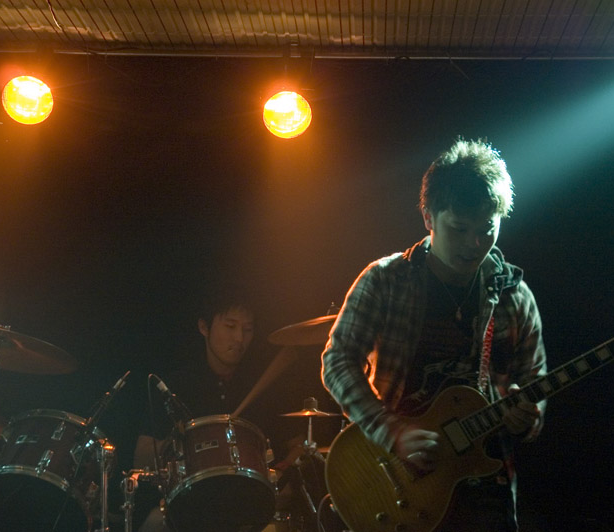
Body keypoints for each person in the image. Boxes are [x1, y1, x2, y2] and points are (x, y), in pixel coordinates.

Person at [321, 138, 547, 532]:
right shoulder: (386, 280)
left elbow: (534, 383)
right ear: (428, 218)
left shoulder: (514, 295)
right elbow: (337, 362)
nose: (474, 244)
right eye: (459, 229)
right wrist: (391, 432)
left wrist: (526, 416)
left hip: (483, 485)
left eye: (487, 229)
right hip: (397, 477)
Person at [132, 286, 278, 532]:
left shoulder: (260, 387)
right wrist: (176, 443)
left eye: (247, 330)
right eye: (230, 327)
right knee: (154, 524)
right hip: (189, 508)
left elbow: (289, 451)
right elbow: (141, 458)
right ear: (204, 327)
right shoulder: (175, 387)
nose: (239, 339)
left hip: (247, 508)